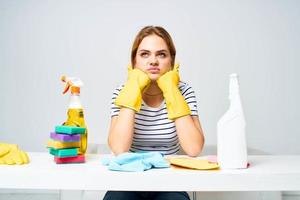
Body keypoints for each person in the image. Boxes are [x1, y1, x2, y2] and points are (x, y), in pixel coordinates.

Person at [103, 26, 205, 200]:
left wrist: (171, 90)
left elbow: (194, 148)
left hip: (170, 180)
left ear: (171, 62)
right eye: (144, 54)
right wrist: (133, 88)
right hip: (128, 179)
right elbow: (119, 149)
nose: (153, 61)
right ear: (134, 62)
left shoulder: (184, 91)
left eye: (161, 54)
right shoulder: (122, 91)